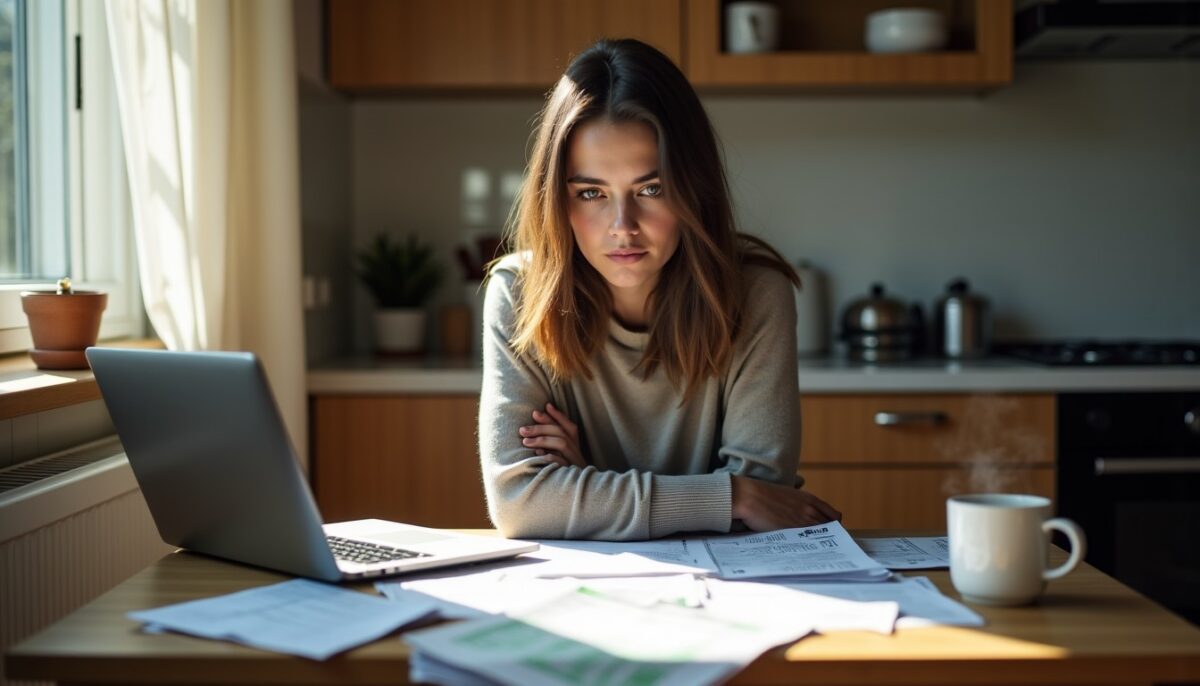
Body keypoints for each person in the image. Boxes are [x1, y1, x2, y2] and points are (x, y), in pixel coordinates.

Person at [479, 38, 840, 541]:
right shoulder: (519, 292)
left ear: (693, 187)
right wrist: (730, 496)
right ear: (555, 200)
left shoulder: (756, 292)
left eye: (651, 189)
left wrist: (585, 488)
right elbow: (522, 504)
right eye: (591, 193)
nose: (622, 226)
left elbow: (767, 501)